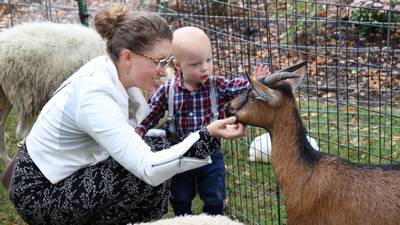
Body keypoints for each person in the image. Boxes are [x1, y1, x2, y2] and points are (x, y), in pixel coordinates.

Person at [9, 6, 247, 225]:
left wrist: (191, 134)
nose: (166, 71)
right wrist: (206, 135)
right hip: (41, 193)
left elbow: (141, 136)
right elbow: (147, 167)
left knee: (160, 146)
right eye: (159, 61)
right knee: (142, 174)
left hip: (68, 172)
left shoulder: (118, 74)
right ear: (127, 57)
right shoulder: (95, 96)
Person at [135, 26, 269, 216]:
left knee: (214, 196)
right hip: (179, 155)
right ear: (178, 65)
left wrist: (255, 82)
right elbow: (152, 112)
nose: (205, 67)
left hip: (211, 155)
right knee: (180, 197)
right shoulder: (168, 90)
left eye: (208, 60)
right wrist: (140, 129)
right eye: (196, 64)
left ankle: (214, 218)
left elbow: (236, 88)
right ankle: (184, 218)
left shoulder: (216, 85)